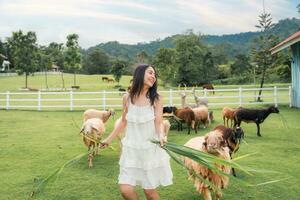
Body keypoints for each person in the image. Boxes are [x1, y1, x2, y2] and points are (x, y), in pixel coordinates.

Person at [100, 64, 173, 200]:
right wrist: (108, 139)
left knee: (149, 193)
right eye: (150, 73)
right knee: (125, 190)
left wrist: (162, 136)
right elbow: (123, 121)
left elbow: (159, 122)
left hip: (149, 150)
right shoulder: (127, 98)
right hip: (131, 150)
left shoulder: (156, 98)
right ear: (140, 74)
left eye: (155, 75)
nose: (154, 76)